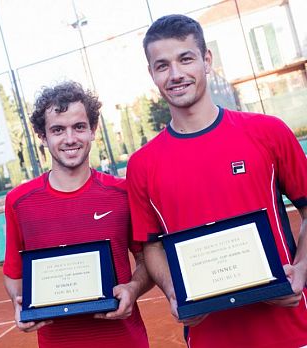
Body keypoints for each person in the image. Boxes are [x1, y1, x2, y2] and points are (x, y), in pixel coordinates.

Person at [126, 14, 307, 348]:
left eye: (186, 58)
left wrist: (302, 269)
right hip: (210, 337)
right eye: (162, 65)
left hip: (291, 330)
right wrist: (173, 292)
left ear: (207, 60)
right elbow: (150, 245)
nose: (176, 74)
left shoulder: (268, 132)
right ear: (151, 74)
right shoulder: (141, 165)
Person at [3, 81, 151, 348]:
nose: (70, 139)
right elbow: (14, 275)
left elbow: (147, 259)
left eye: (79, 127)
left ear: (93, 130)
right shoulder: (19, 202)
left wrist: (133, 288)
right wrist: (20, 302)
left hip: (125, 341)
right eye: (58, 130)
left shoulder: (122, 193)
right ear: (42, 136)